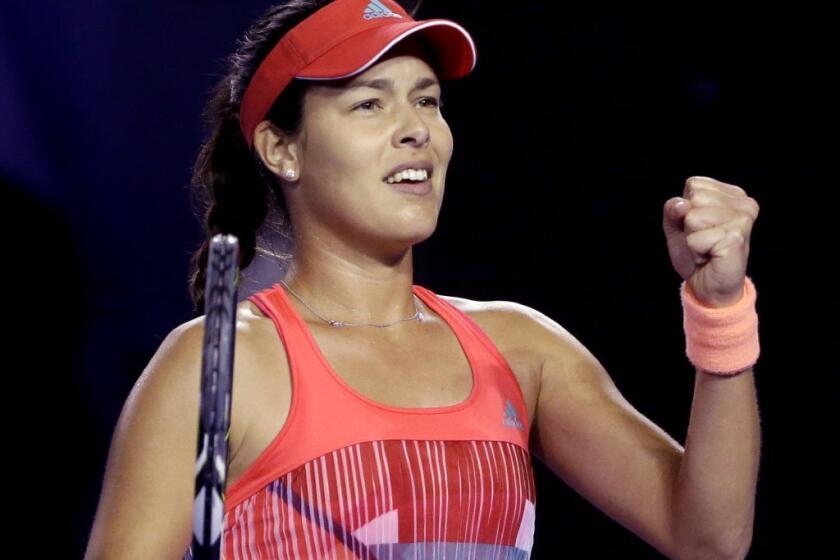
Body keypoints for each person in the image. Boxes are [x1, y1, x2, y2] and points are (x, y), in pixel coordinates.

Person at [85, 1, 762, 558]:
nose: (416, 130)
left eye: (428, 101)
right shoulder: (217, 364)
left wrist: (720, 307)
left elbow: (708, 537)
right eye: (369, 106)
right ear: (281, 148)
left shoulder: (522, 349)